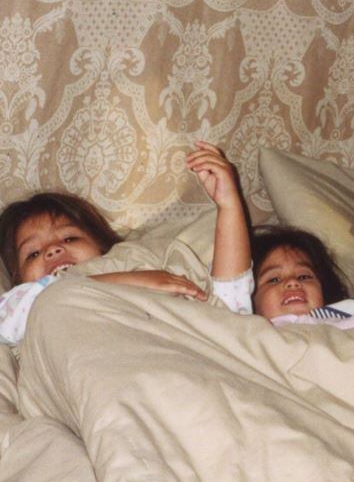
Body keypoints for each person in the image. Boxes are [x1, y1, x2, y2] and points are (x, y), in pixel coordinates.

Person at [0, 141, 253, 345]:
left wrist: (229, 204)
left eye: (69, 238)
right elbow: (26, 309)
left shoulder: (141, 258)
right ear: (19, 278)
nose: (53, 249)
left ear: (101, 246)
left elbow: (229, 312)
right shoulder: (22, 304)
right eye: (32, 253)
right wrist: (128, 281)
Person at [251, 226, 354, 328]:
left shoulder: (332, 319)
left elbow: (337, 330)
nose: (292, 282)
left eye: (304, 276)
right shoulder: (256, 332)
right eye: (273, 279)